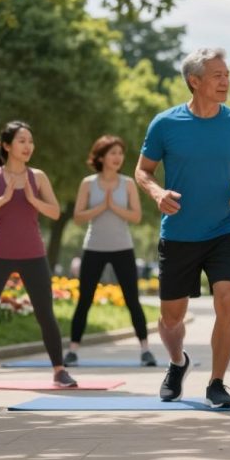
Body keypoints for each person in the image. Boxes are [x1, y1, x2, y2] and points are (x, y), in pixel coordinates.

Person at [135, 47, 230, 408]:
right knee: (170, 318)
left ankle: (217, 382)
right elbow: (142, 170)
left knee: (228, 299)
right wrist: (156, 191)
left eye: (227, 74)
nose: (226, 81)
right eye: (218, 75)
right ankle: (178, 363)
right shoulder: (165, 124)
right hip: (178, 233)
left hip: (226, 228)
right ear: (195, 81)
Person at [0, 121, 77, 388]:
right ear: (7, 146)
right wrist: (3, 199)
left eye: (30, 141)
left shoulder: (38, 177)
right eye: (21, 141)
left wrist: (33, 199)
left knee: (46, 315)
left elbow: (54, 212)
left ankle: (59, 371)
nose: (28, 146)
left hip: (33, 254)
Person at [66, 135, 155, 367]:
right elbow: (77, 217)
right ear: (101, 157)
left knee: (132, 300)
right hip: (93, 247)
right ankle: (73, 350)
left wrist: (113, 206)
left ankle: (145, 350)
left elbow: (136, 216)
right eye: (113, 153)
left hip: (122, 248)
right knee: (84, 300)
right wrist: (100, 207)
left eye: (120, 153)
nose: (118, 158)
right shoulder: (88, 183)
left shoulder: (127, 183)